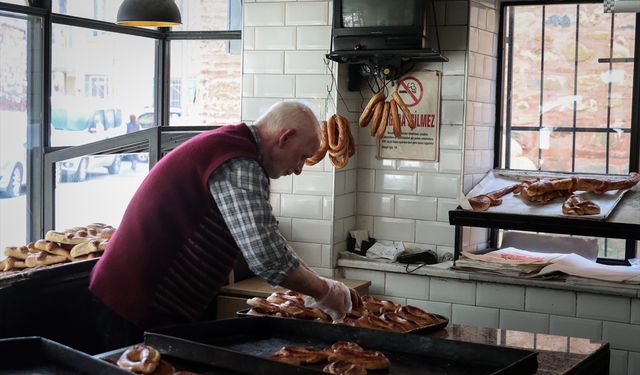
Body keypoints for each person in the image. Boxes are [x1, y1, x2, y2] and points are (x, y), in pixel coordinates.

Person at [89, 101, 360, 351]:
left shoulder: (234, 147)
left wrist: (324, 285)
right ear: (284, 137)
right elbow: (267, 258)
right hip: (133, 302)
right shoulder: (238, 162)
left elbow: (270, 240)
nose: (299, 168)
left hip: (147, 301)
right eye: (301, 156)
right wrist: (325, 291)